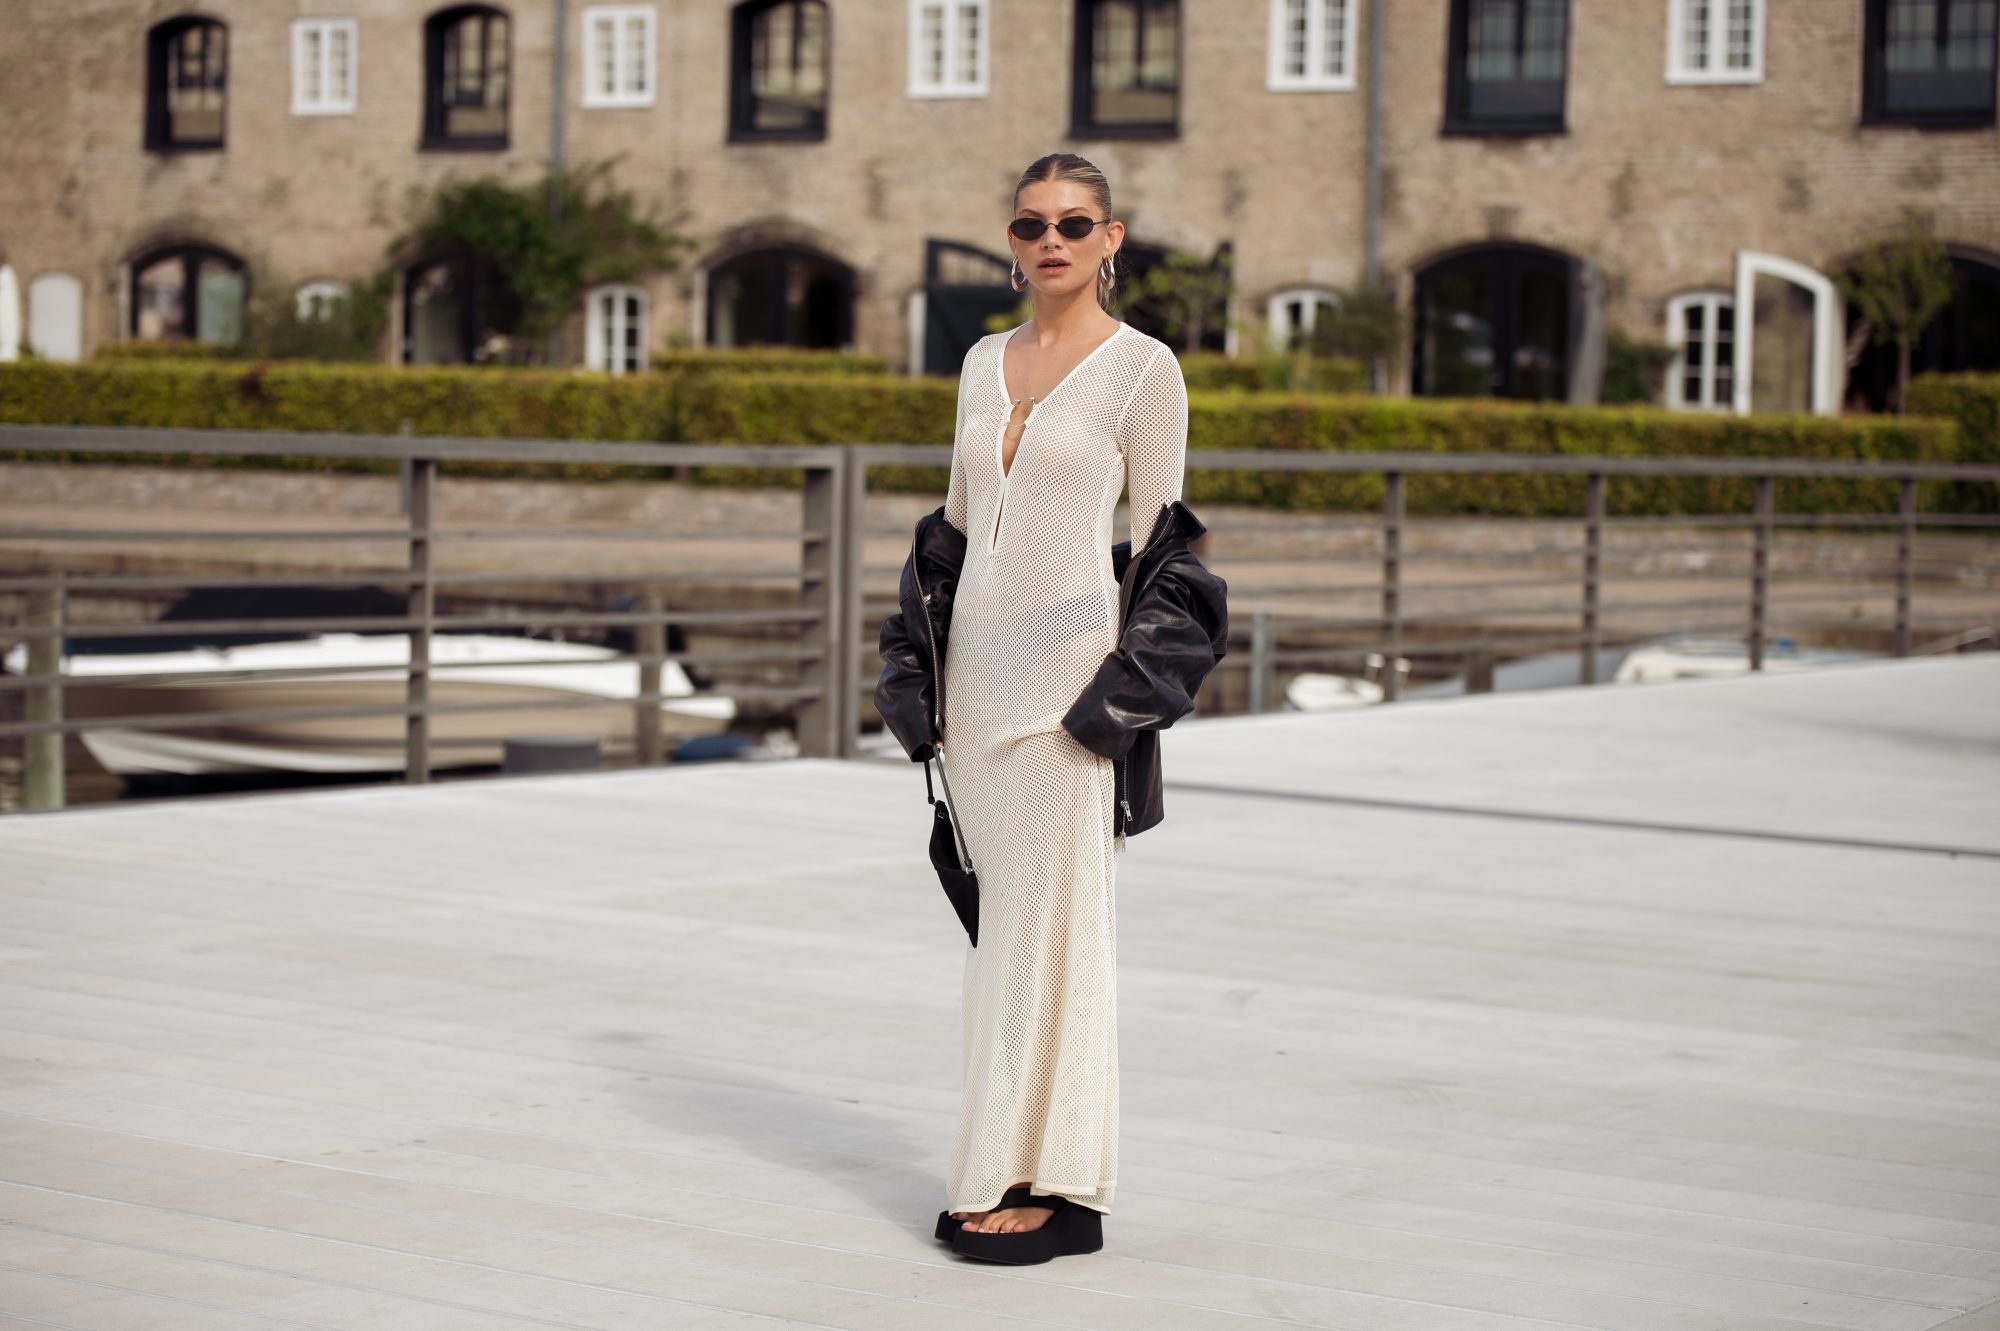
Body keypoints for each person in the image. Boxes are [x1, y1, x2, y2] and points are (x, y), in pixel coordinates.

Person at [931, 152, 1190, 1262]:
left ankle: (1047, 1176)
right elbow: (948, 534)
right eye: (1032, 223)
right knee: (1002, 939)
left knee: (1054, 934)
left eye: (1073, 224)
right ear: (1012, 236)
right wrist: (914, 679)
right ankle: (1012, 1157)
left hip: (1067, 694)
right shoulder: (982, 361)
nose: (1051, 240)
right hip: (971, 689)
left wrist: (1119, 706)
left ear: (1110, 238)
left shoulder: (1143, 369)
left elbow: (1169, 553)